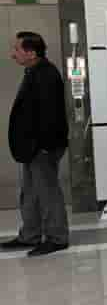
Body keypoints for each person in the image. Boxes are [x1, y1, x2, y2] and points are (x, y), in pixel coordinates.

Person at [4, 31, 69, 257]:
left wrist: (42, 146)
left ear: (31, 53)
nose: (13, 54)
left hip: (43, 147)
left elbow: (50, 116)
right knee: (30, 192)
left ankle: (57, 237)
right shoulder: (33, 71)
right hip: (32, 147)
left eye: (17, 49)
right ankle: (29, 235)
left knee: (47, 192)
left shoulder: (46, 75)